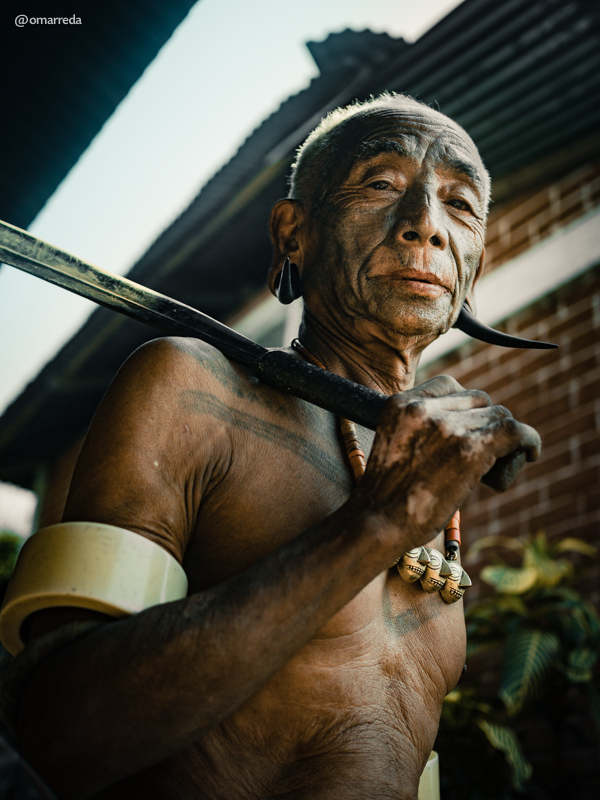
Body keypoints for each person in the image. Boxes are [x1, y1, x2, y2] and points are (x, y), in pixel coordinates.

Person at [3, 93, 540, 799]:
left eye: (460, 204)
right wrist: (376, 523)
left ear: (474, 264)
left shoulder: (434, 490)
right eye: (381, 184)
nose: (425, 224)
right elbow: (55, 735)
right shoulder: (194, 391)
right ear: (293, 233)